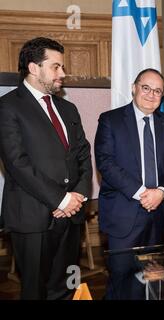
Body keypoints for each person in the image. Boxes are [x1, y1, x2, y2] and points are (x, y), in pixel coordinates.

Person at [0, 37, 92, 299]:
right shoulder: (8, 107)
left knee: (65, 289)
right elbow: (17, 163)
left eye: (62, 67)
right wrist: (61, 199)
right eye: (55, 67)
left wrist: (78, 197)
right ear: (33, 68)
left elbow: (83, 155)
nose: (62, 73)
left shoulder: (68, 108)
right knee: (35, 292)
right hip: (32, 218)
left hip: (71, 216)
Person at [94, 68, 164, 298]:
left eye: (158, 91)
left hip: (158, 216)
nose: (151, 95)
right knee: (121, 281)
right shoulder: (110, 120)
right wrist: (144, 193)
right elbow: (105, 163)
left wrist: (161, 193)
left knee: (153, 281)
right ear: (134, 88)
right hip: (123, 216)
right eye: (146, 88)